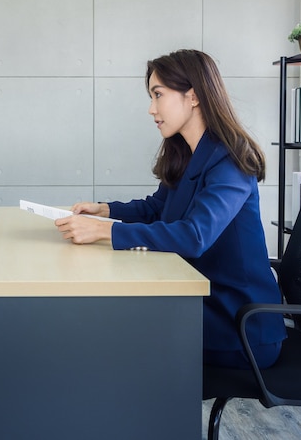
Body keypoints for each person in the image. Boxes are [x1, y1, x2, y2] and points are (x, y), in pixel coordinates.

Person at [54, 49, 287, 369]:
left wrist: (105, 231)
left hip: (237, 325)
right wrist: (105, 210)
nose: (152, 109)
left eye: (158, 95)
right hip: (200, 299)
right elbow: (157, 208)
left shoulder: (229, 160)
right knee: (110, 323)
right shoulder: (189, 153)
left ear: (192, 96)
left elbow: (195, 236)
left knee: (112, 333)